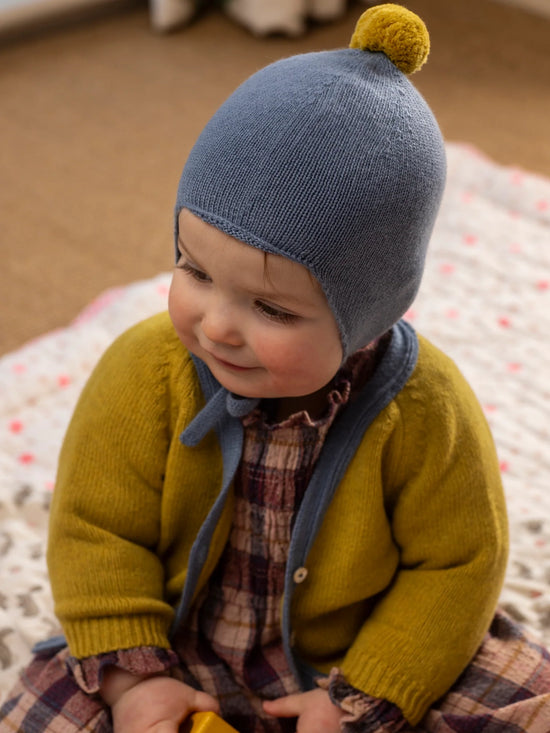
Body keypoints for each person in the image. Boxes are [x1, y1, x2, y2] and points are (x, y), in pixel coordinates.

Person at [1, 4, 549, 732]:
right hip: (174, 640)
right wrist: (133, 681)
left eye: (273, 309)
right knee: (38, 708)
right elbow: (96, 531)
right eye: (194, 270)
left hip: (353, 651)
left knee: (527, 691)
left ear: (368, 316)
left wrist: (367, 695)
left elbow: (457, 566)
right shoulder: (142, 371)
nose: (217, 324)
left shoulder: (425, 409)